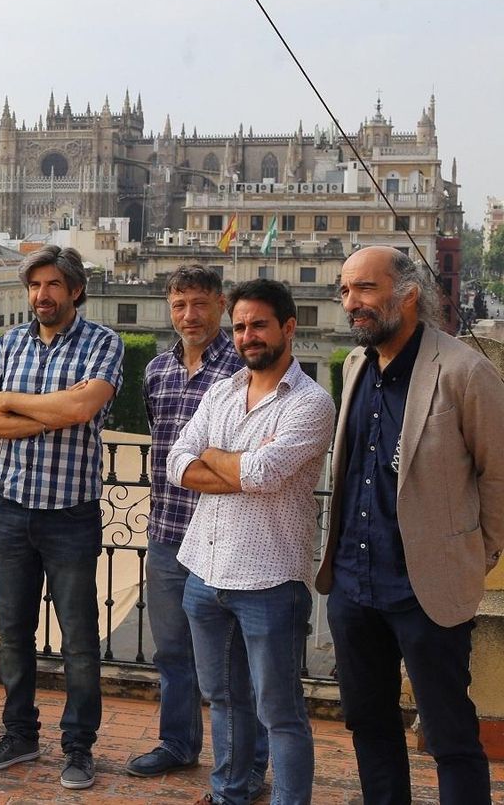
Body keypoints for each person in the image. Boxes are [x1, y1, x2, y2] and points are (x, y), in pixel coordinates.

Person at [318, 246, 504, 802]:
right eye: (345, 291)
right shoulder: (354, 366)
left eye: (365, 290)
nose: (353, 304)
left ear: (408, 294)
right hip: (353, 585)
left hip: (428, 590)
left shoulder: (466, 370)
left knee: (449, 734)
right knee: (369, 725)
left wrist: (475, 556)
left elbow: (499, 477)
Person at [169, 279, 335, 805]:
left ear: (288, 327)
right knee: (223, 698)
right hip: (204, 570)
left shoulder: (311, 404)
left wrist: (215, 455)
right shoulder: (221, 391)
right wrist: (237, 464)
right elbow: (177, 461)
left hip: (268, 579)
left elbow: (264, 473)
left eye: (259, 324)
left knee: (279, 711)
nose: (247, 335)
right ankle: (230, 794)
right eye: (240, 326)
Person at [0, 244, 122, 790]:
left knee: (79, 638)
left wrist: (13, 402)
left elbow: (82, 410)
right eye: (34, 286)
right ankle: (19, 735)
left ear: (75, 290)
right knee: (13, 633)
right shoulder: (10, 342)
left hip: (69, 513)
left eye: (53, 285)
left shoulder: (104, 343)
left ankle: (78, 746)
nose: (41, 295)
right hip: (9, 508)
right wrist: (46, 412)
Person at [129, 265, 255, 781]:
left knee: (235, 664)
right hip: (166, 534)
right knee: (172, 653)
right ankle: (178, 744)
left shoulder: (243, 371)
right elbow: (164, 448)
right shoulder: (157, 370)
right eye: (179, 305)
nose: (190, 316)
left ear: (221, 306)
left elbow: (245, 456)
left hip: (226, 537)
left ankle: (246, 762)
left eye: (200, 304)